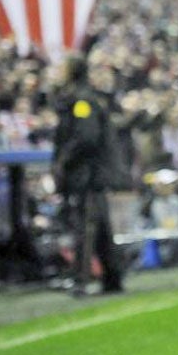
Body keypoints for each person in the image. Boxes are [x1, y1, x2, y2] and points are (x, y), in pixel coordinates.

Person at [52, 55, 123, 297]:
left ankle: (80, 279)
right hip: (91, 173)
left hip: (89, 174)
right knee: (99, 225)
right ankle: (113, 277)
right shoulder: (82, 98)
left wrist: (64, 159)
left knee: (86, 225)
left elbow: (86, 137)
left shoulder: (82, 101)